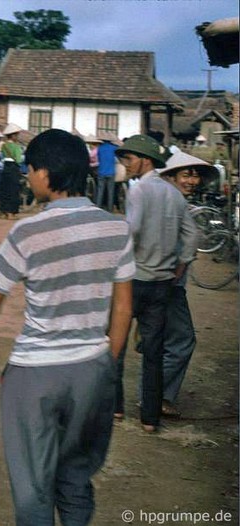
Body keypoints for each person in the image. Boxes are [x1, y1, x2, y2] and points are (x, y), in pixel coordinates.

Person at [0, 129, 134, 525]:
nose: (27, 177)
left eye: (29, 169)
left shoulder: (27, 232)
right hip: (92, 369)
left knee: (32, 489)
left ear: (45, 173)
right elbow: (124, 308)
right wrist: (105, 363)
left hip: (35, 374)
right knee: (76, 479)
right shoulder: (116, 229)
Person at [114, 135, 198, 432]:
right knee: (153, 351)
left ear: (145, 160)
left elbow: (131, 230)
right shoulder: (175, 195)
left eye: (129, 159)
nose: (126, 164)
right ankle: (150, 419)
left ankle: (116, 408)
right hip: (162, 283)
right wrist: (179, 266)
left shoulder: (139, 191)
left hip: (134, 280)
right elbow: (191, 238)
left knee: (118, 343)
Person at [140, 151, 218, 418]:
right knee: (183, 340)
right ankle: (156, 397)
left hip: (151, 281)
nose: (193, 181)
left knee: (158, 340)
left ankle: (154, 396)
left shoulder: (160, 201)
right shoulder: (176, 205)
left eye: (196, 176)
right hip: (168, 284)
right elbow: (186, 244)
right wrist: (179, 268)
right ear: (171, 176)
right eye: (187, 174)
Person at [0, 123, 23, 219]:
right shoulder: (16, 147)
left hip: (6, 167)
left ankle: (4, 211)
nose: (17, 137)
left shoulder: (4, 146)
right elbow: (18, 160)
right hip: (13, 168)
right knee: (13, 190)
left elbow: (2, 156)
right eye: (16, 135)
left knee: (5, 189)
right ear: (13, 135)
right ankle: (11, 213)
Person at [95, 134, 118, 212]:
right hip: (111, 172)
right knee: (110, 191)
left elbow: (99, 158)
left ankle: (98, 207)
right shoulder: (114, 148)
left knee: (100, 191)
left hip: (101, 171)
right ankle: (110, 209)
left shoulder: (99, 148)